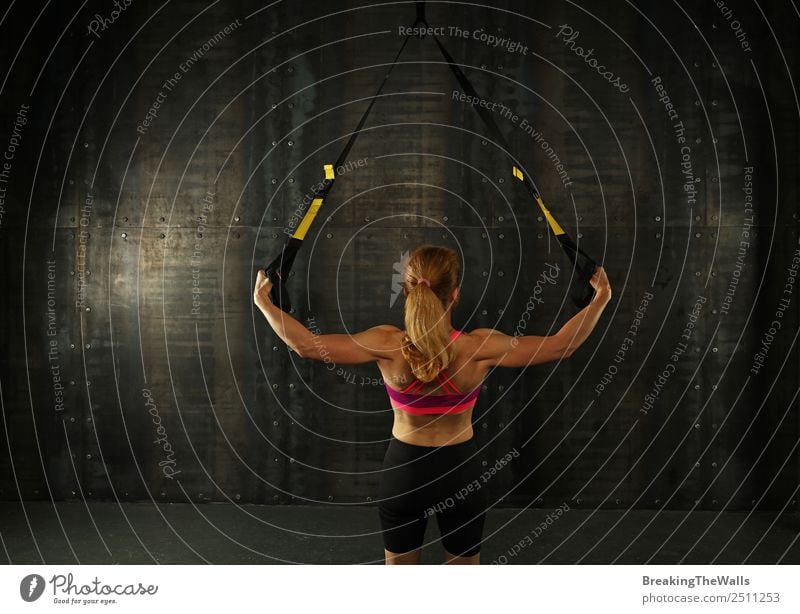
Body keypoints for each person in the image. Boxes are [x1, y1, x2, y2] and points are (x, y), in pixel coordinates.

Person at [253, 244, 612, 564]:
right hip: (461, 474)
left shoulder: (387, 343)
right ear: (454, 295)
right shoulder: (477, 347)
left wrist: (264, 303)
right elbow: (561, 346)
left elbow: (304, 344)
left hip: (403, 474)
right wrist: (600, 299)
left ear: (407, 291)